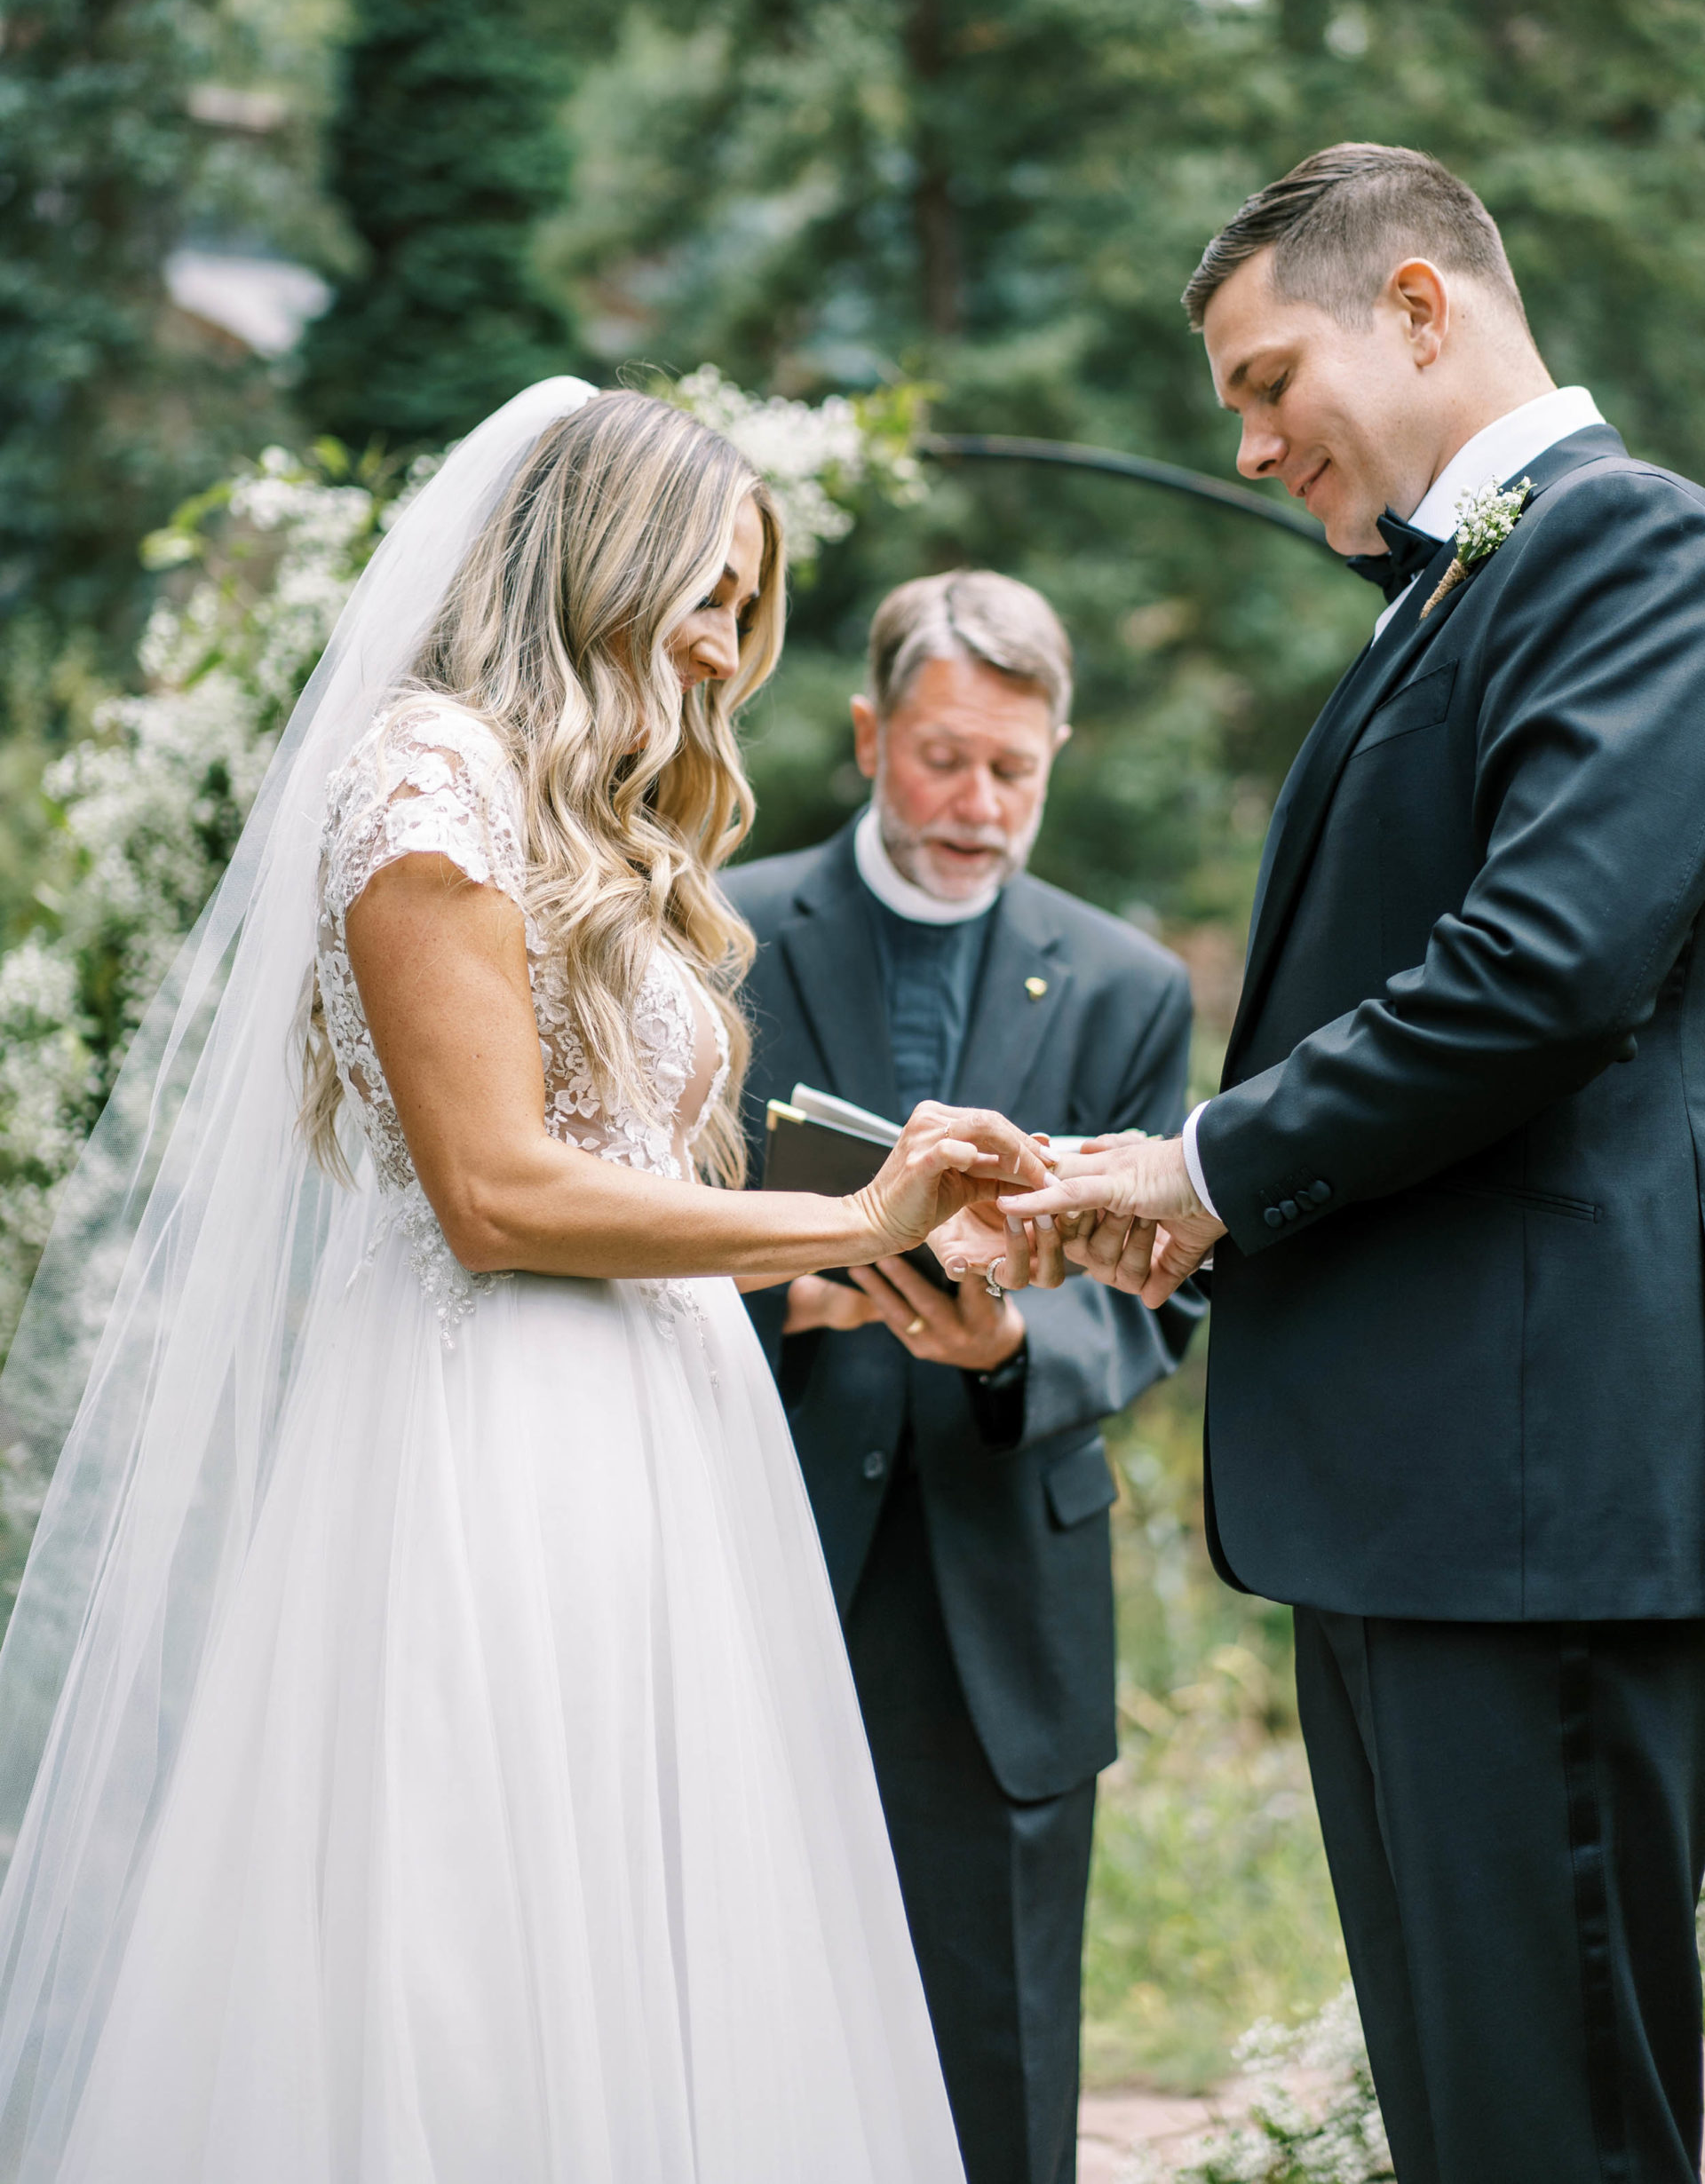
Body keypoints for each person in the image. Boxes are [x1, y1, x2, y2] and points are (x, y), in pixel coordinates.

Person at [0, 381, 1050, 2180]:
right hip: (490, 1433)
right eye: (708, 593)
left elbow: (630, 1161)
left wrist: (900, 1227)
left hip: (656, 1436)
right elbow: (494, 1191)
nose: (727, 648)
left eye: (746, 606)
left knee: (662, 1920)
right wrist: (856, 1217)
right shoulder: (426, 781)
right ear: (604, 554)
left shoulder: (580, 808)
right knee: (483, 1939)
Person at [1004, 144, 1705, 2183]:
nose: (1243, 444)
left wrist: (1211, 1165)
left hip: (1525, 1503)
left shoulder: (1633, 549)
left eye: (1262, 374)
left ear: (1418, 305)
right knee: (1477, 2116)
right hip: (1421, 1506)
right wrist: (1185, 1212)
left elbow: (1546, 974)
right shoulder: (1454, 589)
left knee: (1556, 2119)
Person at [723, 570, 1201, 2184]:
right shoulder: (722, 931)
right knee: (731, 2019)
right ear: (868, 735)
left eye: (1016, 770)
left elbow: (1159, 1301)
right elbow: (639, 1209)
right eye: (943, 759)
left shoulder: (1131, 984)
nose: (978, 805)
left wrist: (1013, 1346)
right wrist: (778, 1301)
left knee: (996, 2064)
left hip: (1004, 1578)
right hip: (754, 1542)